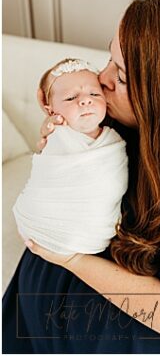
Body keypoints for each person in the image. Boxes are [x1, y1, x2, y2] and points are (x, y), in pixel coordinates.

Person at [2, 0, 160, 353]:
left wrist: (72, 259)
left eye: (120, 75)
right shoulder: (131, 119)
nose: (101, 79)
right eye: (109, 58)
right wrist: (63, 148)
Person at [14, 58, 128, 256]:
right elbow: (49, 176)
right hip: (46, 223)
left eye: (94, 94)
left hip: (96, 234)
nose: (85, 100)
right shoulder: (58, 135)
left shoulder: (115, 139)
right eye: (70, 98)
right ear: (50, 110)